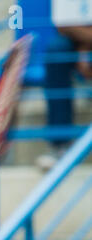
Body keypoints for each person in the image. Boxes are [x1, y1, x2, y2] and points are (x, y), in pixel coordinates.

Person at [37, 20, 92, 170]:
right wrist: (83, 49)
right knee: (57, 49)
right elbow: (64, 25)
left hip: (83, 39)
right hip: (75, 39)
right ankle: (59, 146)